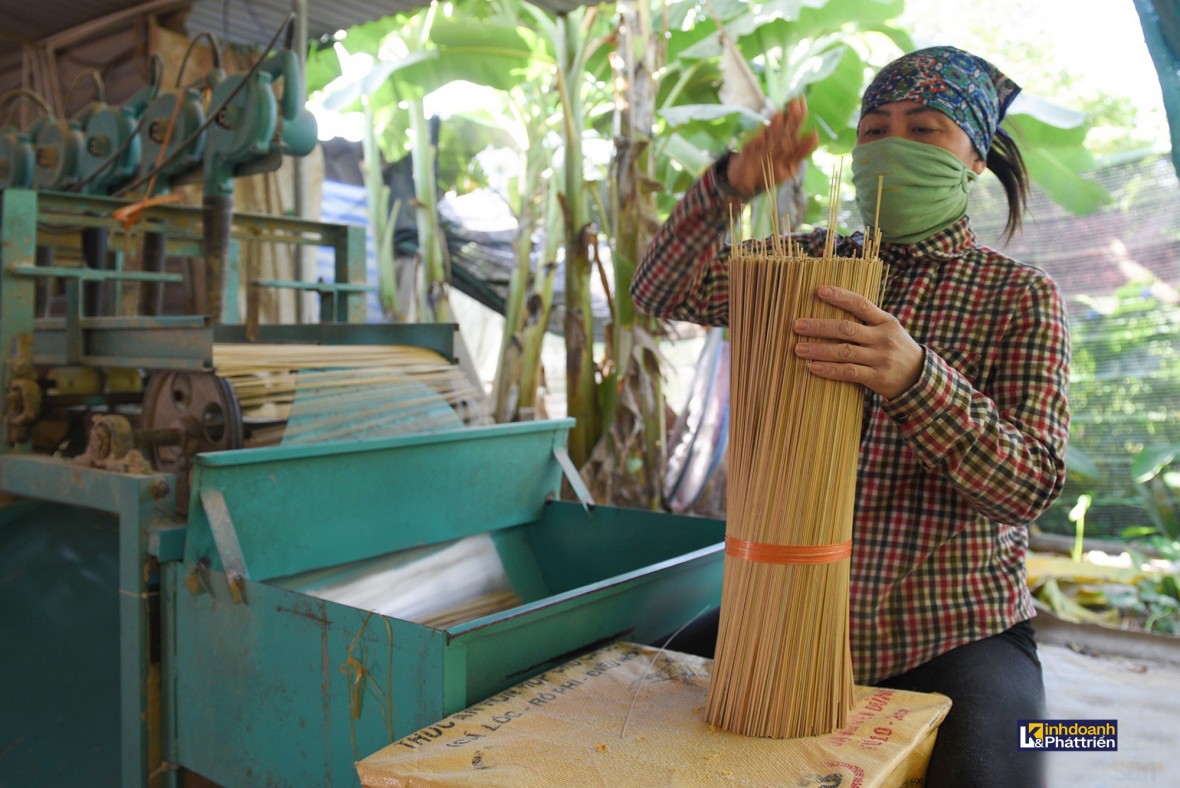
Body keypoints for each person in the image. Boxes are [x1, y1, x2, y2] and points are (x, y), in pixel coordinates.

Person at [632, 46, 1070, 787]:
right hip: (784, 609)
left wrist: (914, 378)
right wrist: (729, 186)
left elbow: (1028, 485)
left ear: (974, 160)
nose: (892, 146)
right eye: (874, 130)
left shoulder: (1019, 297)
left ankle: (1076, 738)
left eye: (926, 129)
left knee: (1023, 759)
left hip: (955, 632)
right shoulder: (799, 266)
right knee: (627, 718)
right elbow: (661, 291)